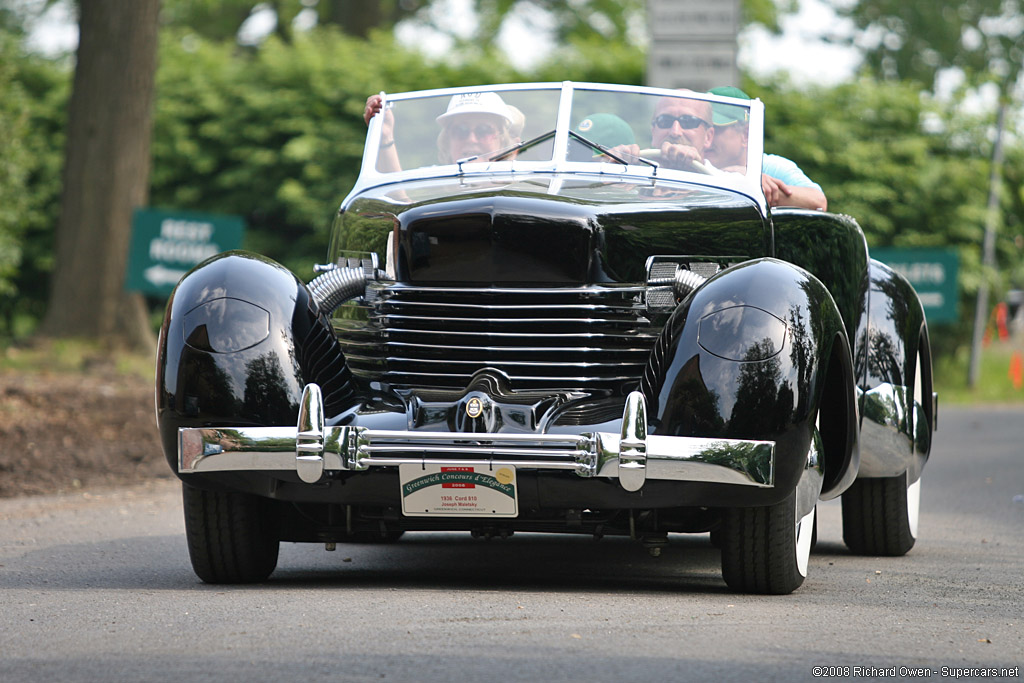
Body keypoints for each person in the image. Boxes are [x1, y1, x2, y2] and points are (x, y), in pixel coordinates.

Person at [706, 86, 828, 211]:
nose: (707, 136)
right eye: (701, 126)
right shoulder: (687, 162)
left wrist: (752, 181)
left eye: (716, 128)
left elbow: (818, 201)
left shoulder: (771, 167)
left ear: (746, 134)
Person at [363, 91, 516, 172]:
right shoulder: (433, 182)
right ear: (448, 140)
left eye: (483, 130)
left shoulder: (522, 182)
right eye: (460, 130)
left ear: (502, 138)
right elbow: (401, 200)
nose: (471, 139)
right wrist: (384, 135)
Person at [607, 91, 716, 172]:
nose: (675, 131)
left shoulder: (727, 183)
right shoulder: (633, 177)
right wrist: (613, 165)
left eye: (688, 122)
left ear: (708, 137)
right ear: (653, 132)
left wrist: (696, 169)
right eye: (665, 121)